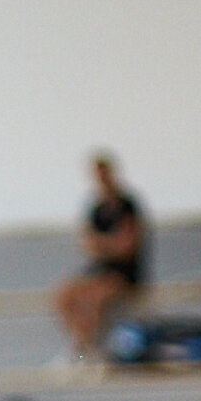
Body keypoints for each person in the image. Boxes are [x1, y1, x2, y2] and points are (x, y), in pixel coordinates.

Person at [52, 155, 147, 362]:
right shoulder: (96, 208)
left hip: (124, 274)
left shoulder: (126, 205)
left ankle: (93, 349)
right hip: (100, 271)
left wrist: (104, 245)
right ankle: (82, 346)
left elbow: (127, 246)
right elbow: (87, 244)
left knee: (94, 299)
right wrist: (109, 244)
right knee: (65, 296)